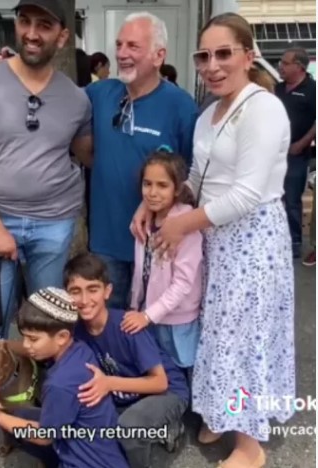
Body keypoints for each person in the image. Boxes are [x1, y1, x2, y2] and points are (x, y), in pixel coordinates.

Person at [133, 13, 295, 467]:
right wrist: (154, 204)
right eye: (204, 56)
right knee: (218, 334)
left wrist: (181, 225)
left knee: (244, 338)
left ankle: (249, 445)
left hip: (253, 240)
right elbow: (199, 182)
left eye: (224, 53)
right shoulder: (209, 115)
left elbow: (245, 193)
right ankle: (224, 412)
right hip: (216, 238)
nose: (213, 64)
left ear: (248, 55)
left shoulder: (263, 108)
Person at [0, 0, 92, 455]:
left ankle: (42, 405)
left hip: (54, 222)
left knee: (45, 323)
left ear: (62, 37)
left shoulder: (77, 97)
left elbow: (83, 153)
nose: (31, 32)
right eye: (24, 22)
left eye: (43, 25)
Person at [85, 12, 198, 310]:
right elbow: (52, 99)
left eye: (133, 46)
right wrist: (4, 70)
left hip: (158, 244)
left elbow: (191, 175)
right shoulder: (99, 93)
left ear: (159, 55)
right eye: (119, 45)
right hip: (106, 241)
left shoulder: (181, 105)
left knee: (151, 331)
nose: (121, 53)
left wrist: (153, 203)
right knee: (108, 329)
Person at [68, 253, 189, 468]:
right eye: (75, 291)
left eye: (92, 289)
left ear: (107, 291)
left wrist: (108, 383)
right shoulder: (76, 331)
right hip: (125, 396)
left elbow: (160, 382)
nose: (84, 300)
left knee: (128, 429)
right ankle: (153, 430)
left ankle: (168, 425)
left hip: (167, 391)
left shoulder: (127, 326)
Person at [0, 288, 129, 468]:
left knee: (16, 423)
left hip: (86, 462)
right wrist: (3, 345)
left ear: (62, 337)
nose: (26, 345)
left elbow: (45, 436)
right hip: (106, 448)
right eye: (24, 337)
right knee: (21, 414)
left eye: (33, 339)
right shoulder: (81, 350)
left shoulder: (58, 385)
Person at [122, 151, 202, 380]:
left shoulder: (186, 228)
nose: (153, 192)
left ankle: (189, 413)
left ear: (177, 189)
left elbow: (183, 283)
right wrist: (136, 306)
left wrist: (148, 315)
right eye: (147, 184)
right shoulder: (144, 223)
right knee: (157, 369)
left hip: (177, 318)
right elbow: (142, 271)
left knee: (182, 370)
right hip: (149, 312)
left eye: (162, 185)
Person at [275, 47, 316, 259]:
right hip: (274, 153)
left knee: (292, 199)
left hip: (296, 154)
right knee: (274, 197)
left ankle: (294, 242)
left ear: (299, 66)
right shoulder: (278, 88)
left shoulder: (312, 89)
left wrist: (302, 143)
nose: (280, 66)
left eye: (285, 62)